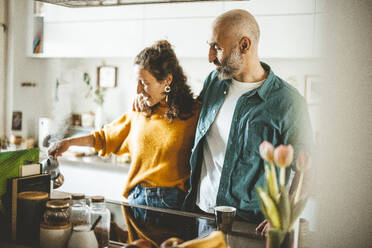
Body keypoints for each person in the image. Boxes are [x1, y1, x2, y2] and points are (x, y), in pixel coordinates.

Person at [180, 9, 313, 231]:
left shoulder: (288, 101)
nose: (210, 57)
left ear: (244, 45)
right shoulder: (213, 81)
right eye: (210, 46)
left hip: (251, 226)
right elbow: (186, 116)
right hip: (201, 216)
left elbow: (308, 168)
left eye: (218, 47)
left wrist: (283, 217)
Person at [48, 40, 200, 210]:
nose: (138, 91)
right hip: (137, 201)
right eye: (137, 82)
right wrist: (68, 142)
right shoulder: (140, 111)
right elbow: (104, 138)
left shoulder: (194, 113)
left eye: (144, 83)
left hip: (173, 205)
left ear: (167, 81)